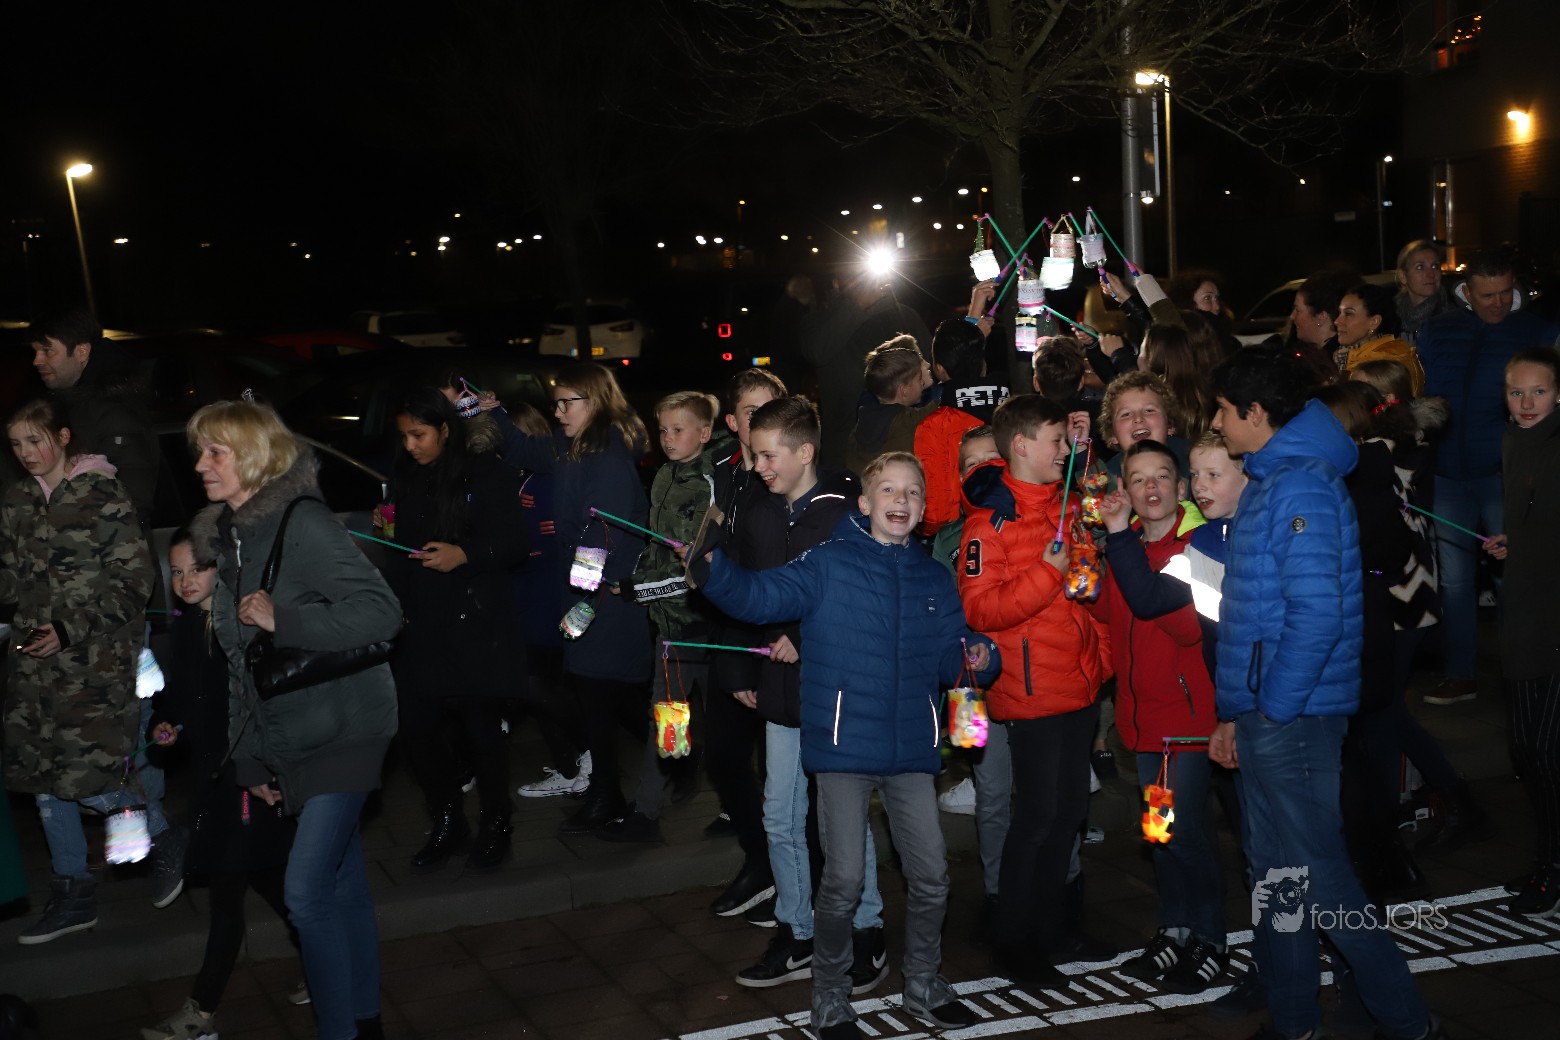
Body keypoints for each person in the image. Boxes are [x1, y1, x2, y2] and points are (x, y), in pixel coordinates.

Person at [695, 451, 997, 1039]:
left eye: (912, 492)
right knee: (844, 881)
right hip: (842, 749)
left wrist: (981, 657)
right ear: (864, 502)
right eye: (889, 490)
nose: (901, 501)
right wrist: (713, 569)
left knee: (933, 875)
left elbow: (951, 654)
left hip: (911, 752)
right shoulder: (828, 562)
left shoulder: (934, 577)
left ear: (923, 506)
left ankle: (923, 982)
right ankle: (830, 998)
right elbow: (762, 597)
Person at [1208, 347, 1444, 1040]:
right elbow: (1259, 611)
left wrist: (1272, 707)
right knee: (1278, 877)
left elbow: (1316, 617)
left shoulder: (1300, 486)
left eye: (1223, 411)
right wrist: (1240, 712)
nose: (1216, 423)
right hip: (1272, 710)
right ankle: (1295, 1022)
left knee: (1321, 878)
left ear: (1256, 413)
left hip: (1295, 714)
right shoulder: (1276, 477)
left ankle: (1410, 1025)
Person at [186, 399, 402, 1040]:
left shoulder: (301, 523)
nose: (200, 465)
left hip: (347, 726)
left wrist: (287, 618)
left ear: (253, 457)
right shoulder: (228, 539)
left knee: (305, 893)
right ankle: (365, 1020)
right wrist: (251, 759)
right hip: (291, 735)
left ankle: (341, 1032)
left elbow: (382, 612)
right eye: (199, 451)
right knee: (342, 883)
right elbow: (240, 664)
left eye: (215, 452)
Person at [723, 397, 886, 992]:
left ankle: (867, 928)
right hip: (780, 691)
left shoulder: (846, 513)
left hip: (835, 691)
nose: (758, 466)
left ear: (805, 452)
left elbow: (867, 596)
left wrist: (804, 633)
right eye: (754, 454)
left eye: (768, 455)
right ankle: (798, 930)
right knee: (780, 815)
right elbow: (743, 589)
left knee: (841, 819)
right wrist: (741, 667)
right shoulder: (759, 510)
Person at [958, 394, 1112, 986]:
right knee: (1038, 817)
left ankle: (1055, 928)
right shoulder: (988, 523)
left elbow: (1089, 586)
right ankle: (1013, 940)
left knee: (1069, 812)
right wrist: (1048, 571)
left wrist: (1099, 657)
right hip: (1031, 691)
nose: (1063, 452)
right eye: (1055, 442)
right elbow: (982, 610)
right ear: (1021, 445)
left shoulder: (1067, 504)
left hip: (1077, 682)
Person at [28, 310, 179, 905]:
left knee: (126, 742)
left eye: (47, 349)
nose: (37, 360)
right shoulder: (60, 413)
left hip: (117, 620)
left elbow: (128, 519)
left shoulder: (111, 418)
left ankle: (156, 846)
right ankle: (103, 870)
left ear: (82, 352)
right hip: (67, 619)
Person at [2, 397, 153, 945]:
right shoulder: (16, 500)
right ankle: (74, 892)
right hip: (34, 662)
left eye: (35, 440)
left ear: (63, 437)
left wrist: (70, 630)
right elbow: (11, 581)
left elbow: (135, 584)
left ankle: (162, 837)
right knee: (44, 777)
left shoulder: (102, 493)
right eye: (15, 445)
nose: (26, 453)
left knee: (90, 778)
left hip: (94, 662)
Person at [139, 529, 300, 1040]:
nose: (185, 581)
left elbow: (260, 702)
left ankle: (202, 1012)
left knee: (228, 893)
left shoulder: (241, 625)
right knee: (272, 880)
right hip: (212, 779)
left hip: (244, 779)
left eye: (197, 569)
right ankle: (327, 957)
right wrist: (164, 728)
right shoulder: (188, 625)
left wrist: (257, 769)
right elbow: (182, 699)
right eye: (177, 571)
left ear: (221, 568)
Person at [1094, 442, 1225, 994]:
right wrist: (1088, 565)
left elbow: (1189, 629)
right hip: (1143, 724)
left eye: (1163, 476)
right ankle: (1175, 929)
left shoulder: (1197, 549)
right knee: (1160, 831)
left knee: (1184, 834)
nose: (1151, 487)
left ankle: (1210, 938)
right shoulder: (1122, 546)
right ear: (1123, 489)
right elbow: (1107, 611)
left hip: (1184, 725)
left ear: (1181, 487)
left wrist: (1125, 549)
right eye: (1138, 478)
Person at [504, 364, 654, 833]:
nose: (558, 412)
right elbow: (522, 448)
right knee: (598, 691)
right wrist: (481, 413)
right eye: (556, 403)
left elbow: (603, 528)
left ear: (596, 400)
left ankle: (643, 778)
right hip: (589, 591)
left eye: (568, 402)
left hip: (605, 594)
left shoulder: (605, 453)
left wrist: (584, 593)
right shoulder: (575, 446)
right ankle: (611, 791)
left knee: (604, 691)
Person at [384, 388, 528, 873]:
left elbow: (515, 542)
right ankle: (448, 818)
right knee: (417, 729)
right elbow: (401, 550)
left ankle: (496, 822)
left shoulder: (486, 472)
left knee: (480, 731)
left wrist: (464, 554)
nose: (410, 445)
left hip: (474, 621)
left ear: (445, 429)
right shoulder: (409, 477)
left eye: (419, 435)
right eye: (404, 436)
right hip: (422, 622)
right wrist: (395, 603)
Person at [1417, 248, 1560, 705]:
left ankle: (1526, 673)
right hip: (1448, 473)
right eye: (1487, 295)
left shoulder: (1535, 330)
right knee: (1456, 582)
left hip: (1504, 473)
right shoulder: (1438, 330)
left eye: (1505, 293)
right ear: (1467, 291)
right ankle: (1461, 674)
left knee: (1514, 575)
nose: (1498, 303)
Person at [604, 391, 723, 843]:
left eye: (678, 430)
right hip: (669, 627)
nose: (668, 439)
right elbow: (657, 547)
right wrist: (637, 580)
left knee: (722, 722)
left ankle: (736, 806)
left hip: (704, 625)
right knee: (668, 719)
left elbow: (696, 569)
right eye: (663, 430)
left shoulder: (711, 483)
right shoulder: (662, 476)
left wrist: (641, 589)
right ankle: (647, 811)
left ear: (704, 433)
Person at [704, 368, 786, 918]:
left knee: (782, 774)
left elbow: (775, 569)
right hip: (733, 632)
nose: (764, 419)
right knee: (724, 756)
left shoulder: (788, 473)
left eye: (773, 406)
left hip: (773, 640)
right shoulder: (723, 471)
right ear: (733, 422)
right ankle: (763, 860)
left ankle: (791, 876)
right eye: (753, 412)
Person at [1482, 348, 1560, 917]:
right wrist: (1516, 541)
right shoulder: (1514, 442)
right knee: (1528, 749)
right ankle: (1546, 860)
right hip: (1526, 610)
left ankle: (1553, 869)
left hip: (1553, 616)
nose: (1527, 403)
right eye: (1517, 392)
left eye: (1539, 392)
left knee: (1547, 750)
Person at [801, 273, 931, 469]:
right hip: (844, 445)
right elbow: (816, 352)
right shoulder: (822, 320)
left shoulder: (903, 315)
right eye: (854, 275)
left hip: (903, 439)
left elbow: (932, 368)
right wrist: (857, 306)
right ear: (836, 283)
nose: (862, 282)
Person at [915, 318, 1007, 536]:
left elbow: (935, 512)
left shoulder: (934, 426)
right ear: (983, 364)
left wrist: (933, 536)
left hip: (961, 538)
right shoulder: (1015, 412)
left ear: (939, 369)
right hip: (1017, 525)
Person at [844, 336, 938, 477]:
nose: (922, 384)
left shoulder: (859, 426)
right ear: (904, 390)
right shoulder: (908, 421)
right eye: (919, 380)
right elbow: (943, 405)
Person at [1333, 283, 1426, 394]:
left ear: (1374, 322)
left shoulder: (1386, 362)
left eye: (1348, 314)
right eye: (1339, 313)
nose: (1337, 321)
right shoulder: (1352, 356)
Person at [1099, 371, 1191, 478]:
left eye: (1149, 410)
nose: (1138, 418)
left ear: (1170, 425)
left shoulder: (1195, 460)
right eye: (1126, 414)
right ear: (1113, 435)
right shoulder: (1108, 479)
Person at [1287, 270, 1356, 385]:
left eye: (1298, 310)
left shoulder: (1340, 362)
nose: (1292, 316)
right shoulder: (1306, 354)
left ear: (1321, 317)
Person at [1394, 239, 1449, 346]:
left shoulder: (1451, 318)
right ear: (1403, 276)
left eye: (1435, 266)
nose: (1431, 274)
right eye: (1420, 267)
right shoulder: (1389, 318)